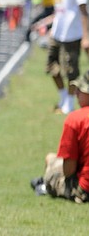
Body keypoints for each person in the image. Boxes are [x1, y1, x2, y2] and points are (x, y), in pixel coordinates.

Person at [30, 74, 89, 202]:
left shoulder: (76, 119)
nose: (76, 93)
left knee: (50, 159)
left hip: (84, 188)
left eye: (80, 90)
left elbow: (69, 170)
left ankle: (45, 186)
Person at [44, 0, 89, 114]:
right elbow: (60, 9)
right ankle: (63, 97)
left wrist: (86, 36)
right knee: (51, 66)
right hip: (58, 33)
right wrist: (52, 27)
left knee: (71, 71)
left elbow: (83, 11)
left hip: (72, 34)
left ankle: (69, 104)